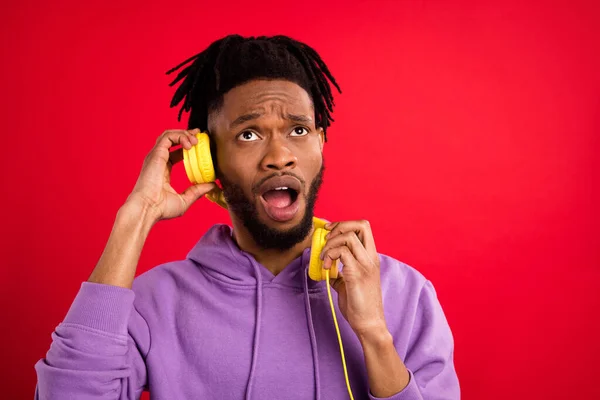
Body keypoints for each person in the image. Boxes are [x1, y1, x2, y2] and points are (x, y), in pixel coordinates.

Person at [34, 34, 460, 399]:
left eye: (298, 130)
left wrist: (373, 334)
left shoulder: (404, 293)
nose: (280, 157)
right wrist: (136, 215)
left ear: (321, 143)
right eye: (249, 134)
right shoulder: (153, 303)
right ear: (208, 161)